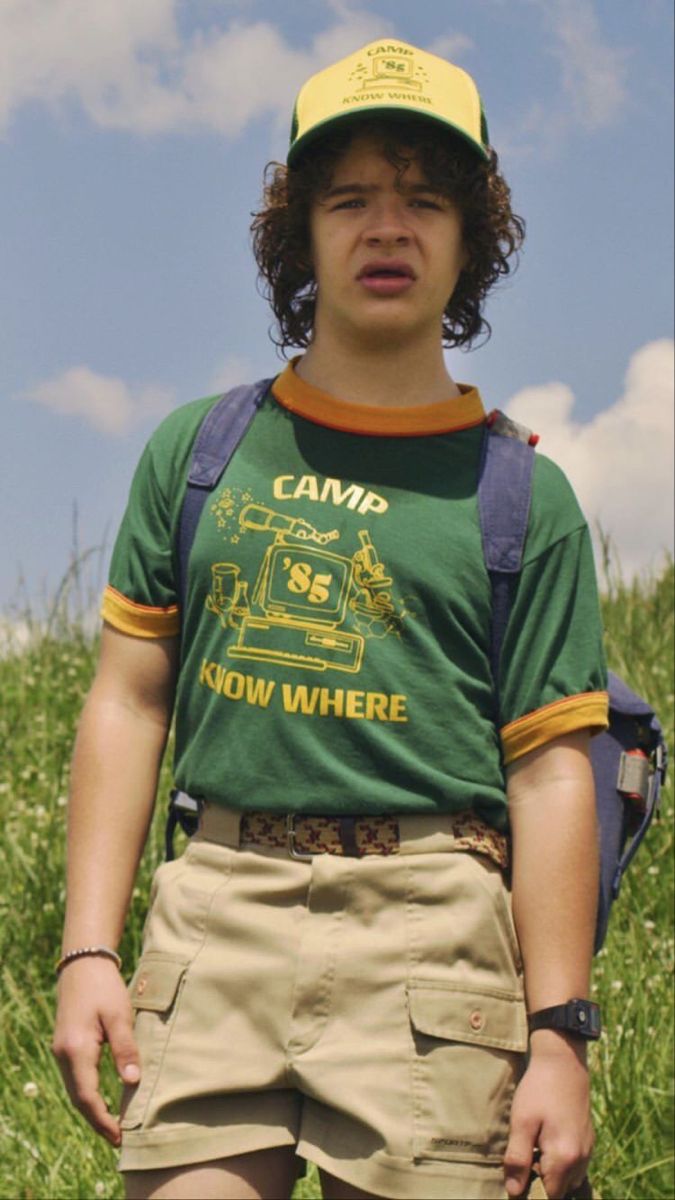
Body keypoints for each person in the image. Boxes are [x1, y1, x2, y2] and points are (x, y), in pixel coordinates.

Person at [53, 38, 609, 1200]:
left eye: (425, 199)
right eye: (350, 197)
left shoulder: (524, 498)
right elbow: (126, 696)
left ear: (475, 238)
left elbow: (555, 771)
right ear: (298, 234)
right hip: (216, 912)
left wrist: (558, 1032)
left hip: (437, 932)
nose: (388, 226)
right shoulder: (199, 454)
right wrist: (89, 948)